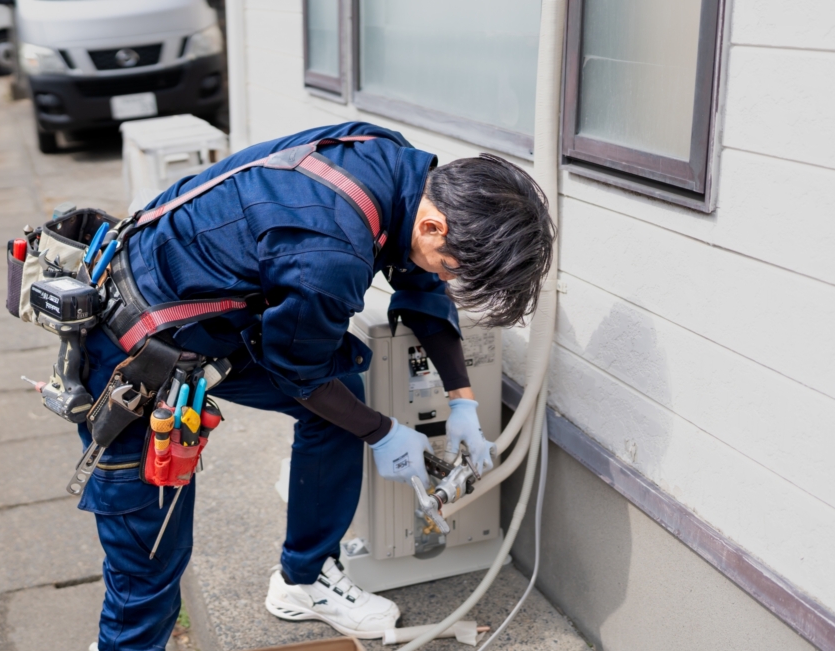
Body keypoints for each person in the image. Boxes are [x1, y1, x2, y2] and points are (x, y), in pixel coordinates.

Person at [79, 121, 554, 650]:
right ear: (436, 228)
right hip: (129, 350)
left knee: (342, 399)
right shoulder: (328, 254)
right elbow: (298, 372)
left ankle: (303, 582)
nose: (447, 278)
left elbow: (419, 281)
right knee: (151, 553)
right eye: (452, 267)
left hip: (206, 316)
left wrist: (462, 400)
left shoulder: (394, 164)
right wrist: (383, 432)